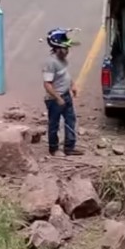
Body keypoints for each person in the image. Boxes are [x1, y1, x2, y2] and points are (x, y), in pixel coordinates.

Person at [43, 28, 83, 157]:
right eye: (65, 49)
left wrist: (73, 85)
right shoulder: (51, 63)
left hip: (66, 95)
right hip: (55, 99)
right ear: (57, 48)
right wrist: (58, 98)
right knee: (54, 124)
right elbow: (47, 84)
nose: (67, 51)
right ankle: (53, 149)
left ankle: (69, 147)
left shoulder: (63, 60)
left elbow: (65, 75)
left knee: (70, 120)